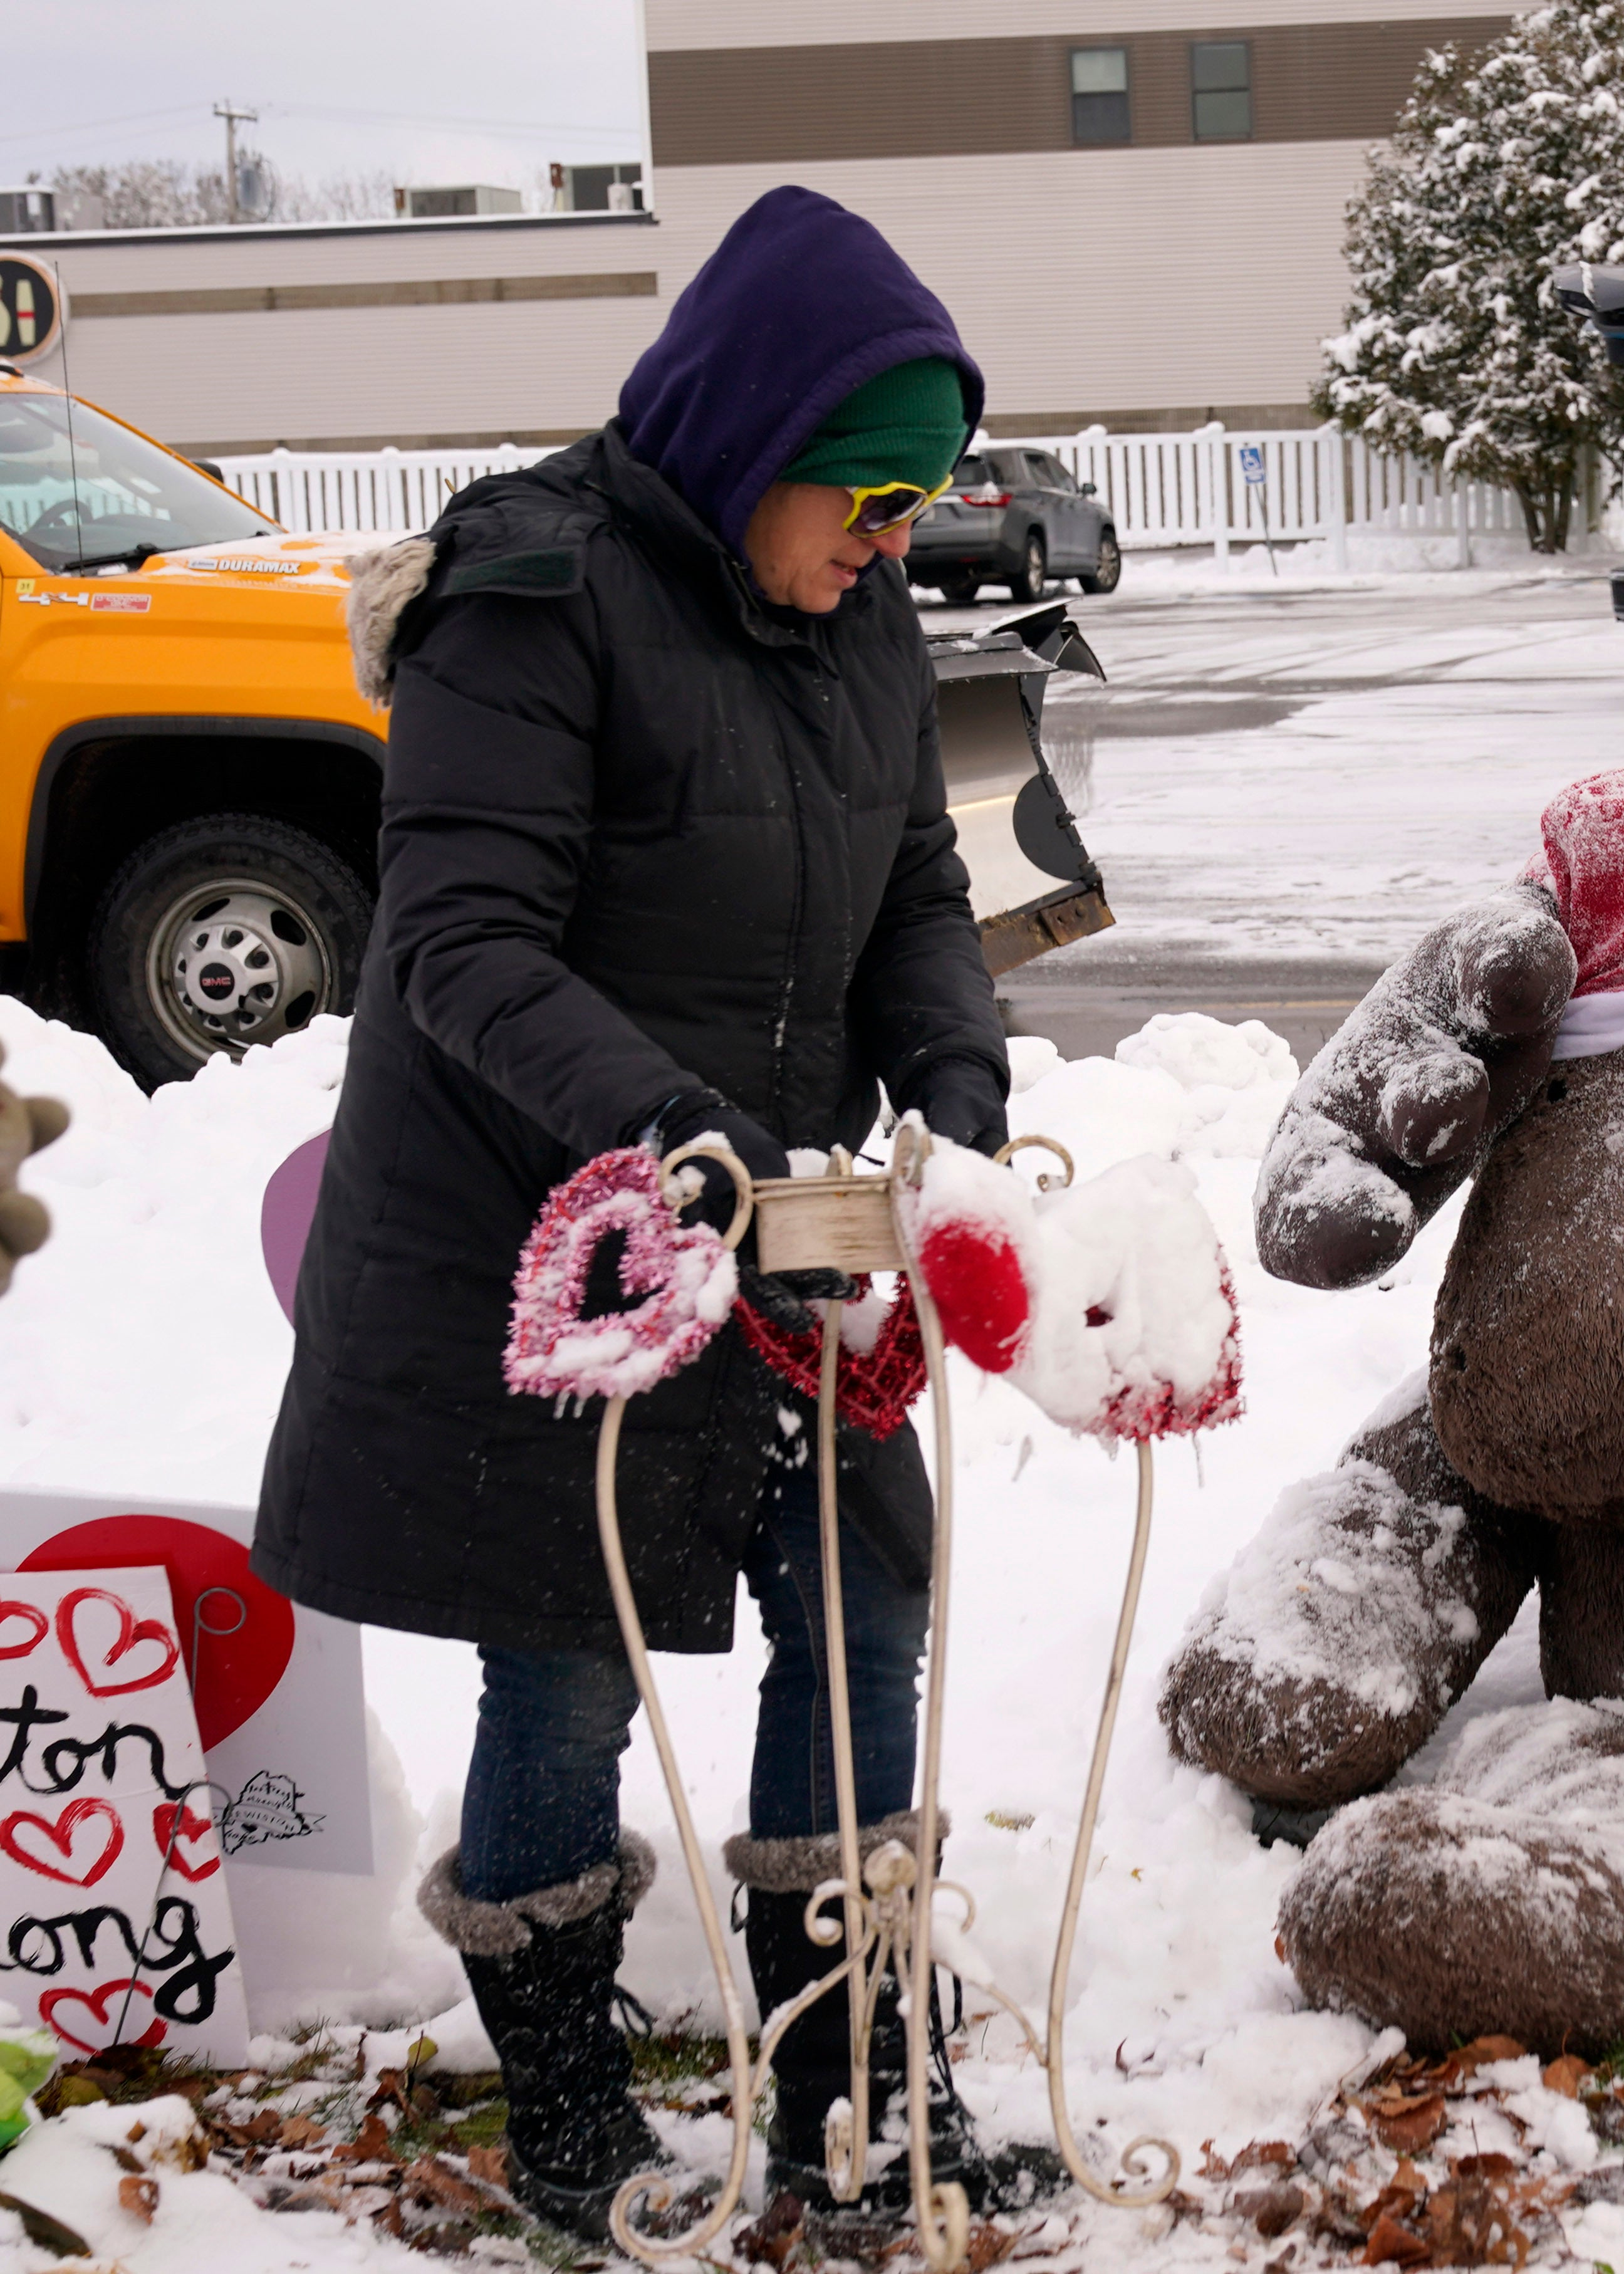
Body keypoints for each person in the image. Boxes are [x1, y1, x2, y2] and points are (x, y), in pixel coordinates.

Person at [252, 188, 1024, 2236]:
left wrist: (952, 1084)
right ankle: (574, 2107)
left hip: (793, 1233)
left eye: (923, 498)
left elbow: (919, 896)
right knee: (568, 1671)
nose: (895, 535)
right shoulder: (538, 593)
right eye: (868, 489)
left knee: (864, 1608)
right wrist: (673, 1127)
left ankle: (849, 2079)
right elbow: (465, 942)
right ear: (754, 437)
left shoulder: (861, 620)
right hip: (565, 1234)